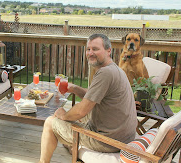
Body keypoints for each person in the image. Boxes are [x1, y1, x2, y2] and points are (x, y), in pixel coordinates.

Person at [38, 33, 137, 163]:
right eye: (88, 49)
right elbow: (92, 96)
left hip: (108, 141)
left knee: (51, 122)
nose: (90, 53)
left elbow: (81, 111)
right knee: (73, 114)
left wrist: (63, 115)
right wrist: (74, 88)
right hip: (122, 134)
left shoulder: (105, 73)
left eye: (95, 49)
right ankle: (72, 147)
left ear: (108, 51)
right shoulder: (115, 69)